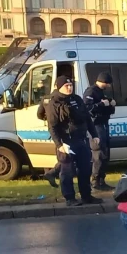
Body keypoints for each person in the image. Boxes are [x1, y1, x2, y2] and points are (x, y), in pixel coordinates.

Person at [46, 75, 102, 207]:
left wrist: (94, 134)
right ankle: (70, 198)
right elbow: (52, 126)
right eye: (66, 86)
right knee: (67, 171)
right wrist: (59, 144)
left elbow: (87, 118)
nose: (70, 88)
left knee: (85, 169)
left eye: (71, 85)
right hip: (66, 142)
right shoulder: (54, 103)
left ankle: (86, 196)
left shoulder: (76, 99)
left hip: (81, 139)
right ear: (59, 87)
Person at [83, 72, 117, 191]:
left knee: (105, 152)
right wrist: (101, 104)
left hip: (103, 123)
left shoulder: (101, 92)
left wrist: (111, 104)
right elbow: (87, 109)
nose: (109, 86)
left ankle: (101, 180)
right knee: (99, 152)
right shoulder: (91, 92)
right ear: (103, 82)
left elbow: (105, 107)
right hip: (96, 125)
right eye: (107, 84)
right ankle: (95, 181)